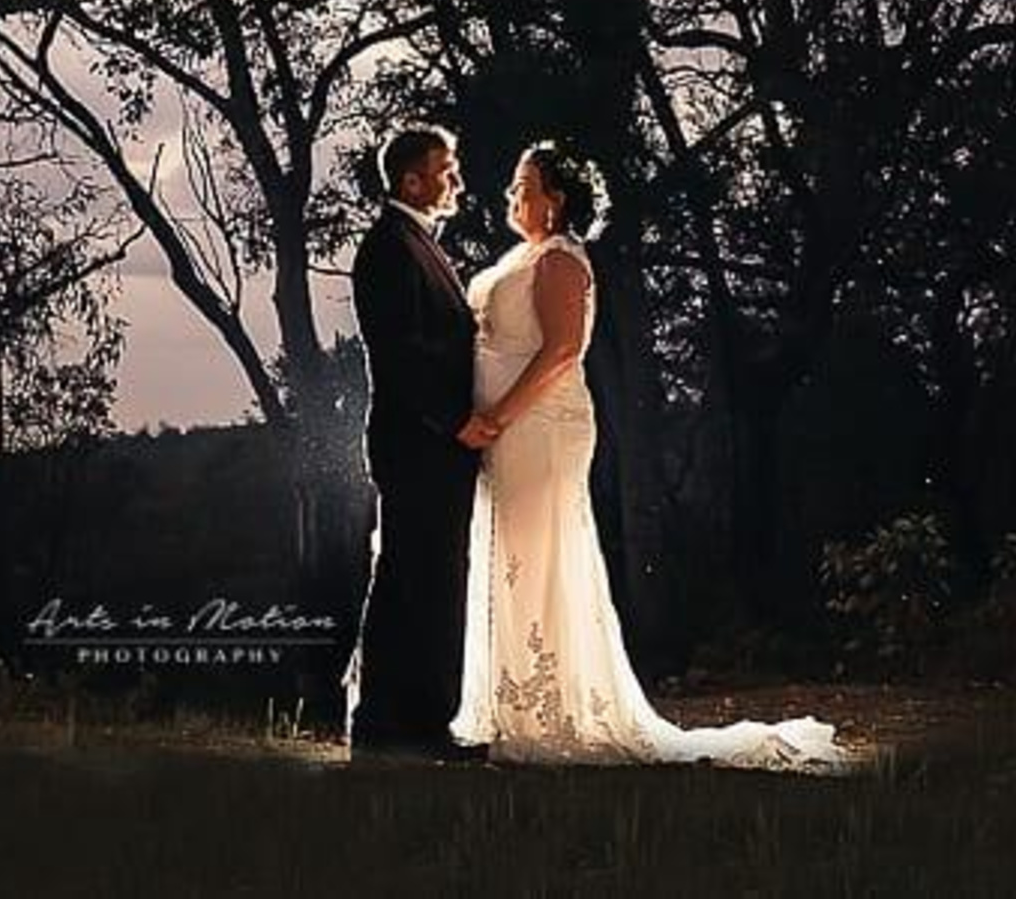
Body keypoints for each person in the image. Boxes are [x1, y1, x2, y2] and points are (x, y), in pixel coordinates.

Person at [450, 140, 848, 770]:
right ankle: (512, 705)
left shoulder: (560, 262)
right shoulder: (521, 256)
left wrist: (497, 416)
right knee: (511, 557)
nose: (510, 195)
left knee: (541, 555)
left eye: (523, 185)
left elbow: (559, 352)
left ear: (555, 201)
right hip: (509, 432)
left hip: (539, 429)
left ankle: (546, 709)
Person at [344, 123, 498, 762]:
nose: (456, 179)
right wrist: (453, 421)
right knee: (416, 579)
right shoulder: (389, 248)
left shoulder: (415, 243)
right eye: (446, 168)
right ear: (411, 179)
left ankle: (409, 721)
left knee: (424, 579)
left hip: (430, 446)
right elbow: (403, 355)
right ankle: (403, 724)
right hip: (419, 443)